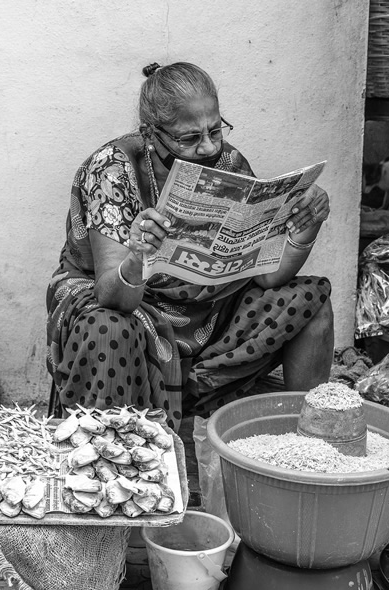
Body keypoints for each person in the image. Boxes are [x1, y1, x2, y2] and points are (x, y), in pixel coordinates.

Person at [46, 62, 334, 431]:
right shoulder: (112, 169)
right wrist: (137, 257)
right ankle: (110, 454)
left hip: (208, 307)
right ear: (152, 132)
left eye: (215, 130)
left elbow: (269, 277)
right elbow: (114, 297)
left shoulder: (228, 161)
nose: (209, 146)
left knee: (310, 303)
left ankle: (311, 437)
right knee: (107, 329)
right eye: (189, 138)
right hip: (127, 304)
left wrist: (305, 228)